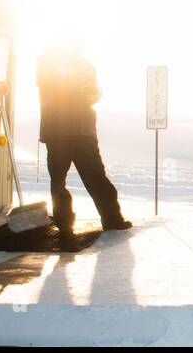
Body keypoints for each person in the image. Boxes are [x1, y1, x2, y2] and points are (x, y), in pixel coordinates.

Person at [37, 37, 131, 251]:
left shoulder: (84, 64)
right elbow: (53, 91)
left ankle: (112, 218)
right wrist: (78, 90)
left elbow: (93, 92)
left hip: (84, 130)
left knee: (96, 175)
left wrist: (93, 92)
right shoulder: (48, 63)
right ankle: (66, 231)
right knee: (59, 182)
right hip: (58, 131)